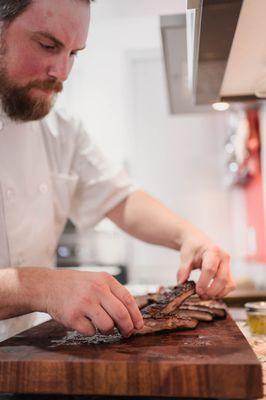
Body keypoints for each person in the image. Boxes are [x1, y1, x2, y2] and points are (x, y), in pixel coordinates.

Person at [0, 0, 235, 341]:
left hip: (25, 359)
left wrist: (190, 238)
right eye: (48, 46)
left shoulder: (61, 130)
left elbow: (120, 198)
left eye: (74, 53)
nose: (62, 72)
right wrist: (41, 286)